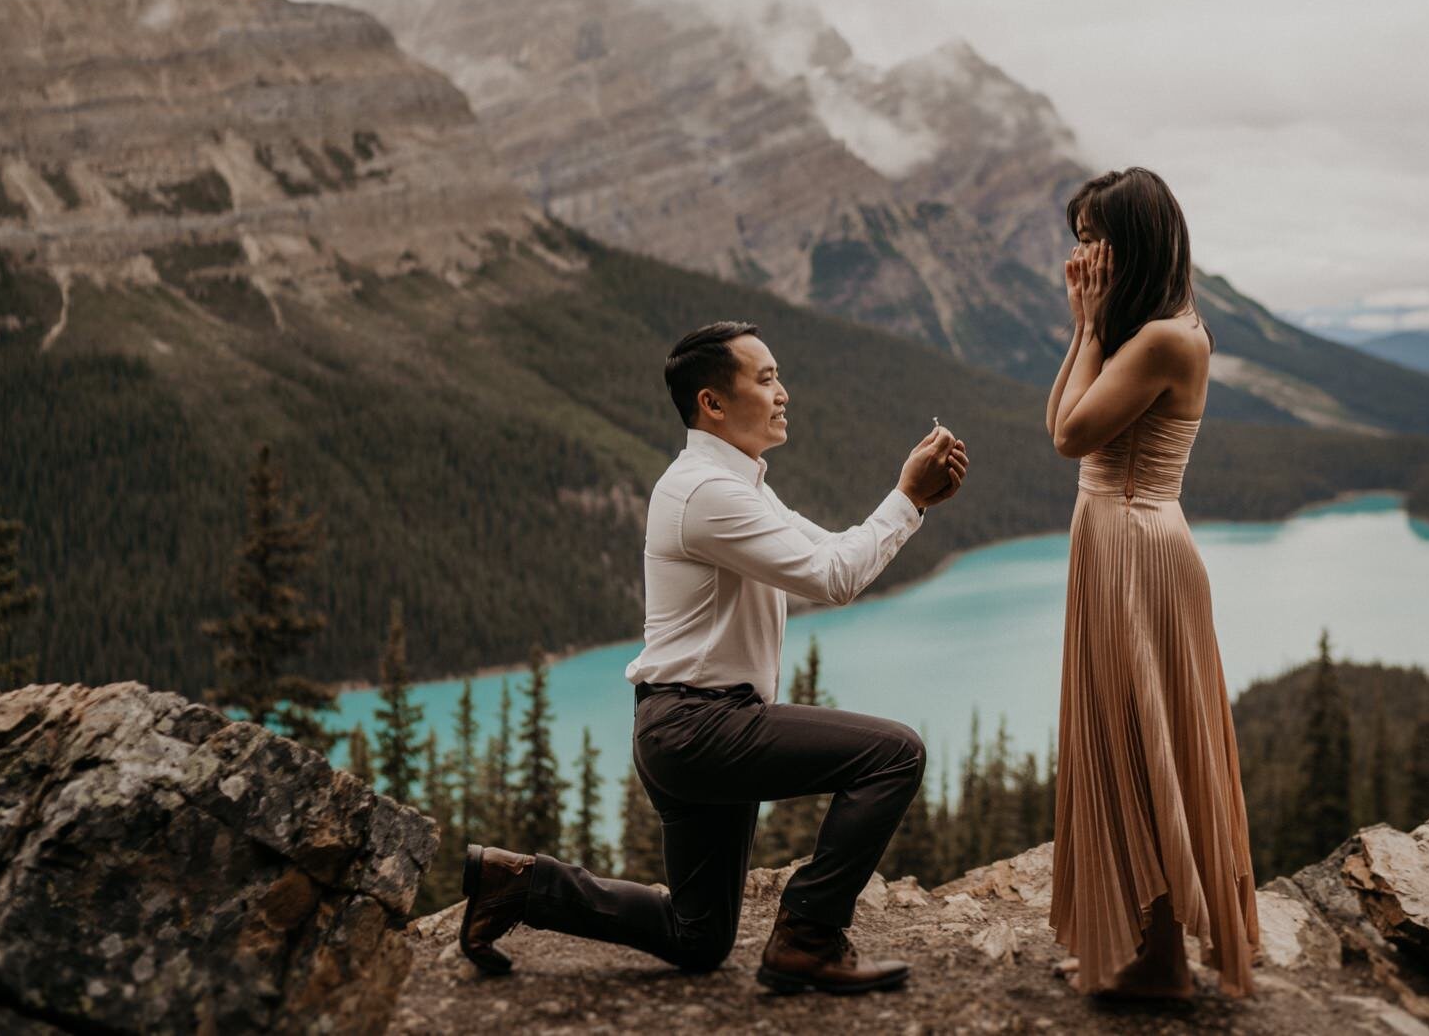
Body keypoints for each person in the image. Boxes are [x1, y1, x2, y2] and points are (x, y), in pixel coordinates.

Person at [457, 320, 970, 994]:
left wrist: (917, 503)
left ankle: (517, 884)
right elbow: (834, 580)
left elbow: (836, 553)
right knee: (894, 754)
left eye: (779, 377)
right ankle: (810, 936)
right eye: (765, 379)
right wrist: (907, 496)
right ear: (713, 404)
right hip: (702, 729)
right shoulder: (708, 492)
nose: (783, 393)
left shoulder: (738, 485)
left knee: (696, 939)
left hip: (687, 730)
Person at [1045, 166, 1260, 1001]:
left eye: (1096, 238)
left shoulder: (1169, 337)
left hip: (1137, 547)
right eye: (1079, 239)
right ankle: (1139, 946)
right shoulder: (1137, 331)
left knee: (1149, 744)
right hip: (1111, 540)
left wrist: (1092, 326)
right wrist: (1083, 328)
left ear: (1133, 243)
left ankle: (1165, 962)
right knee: (1118, 737)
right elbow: (1060, 417)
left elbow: (1070, 435)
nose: (1083, 256)